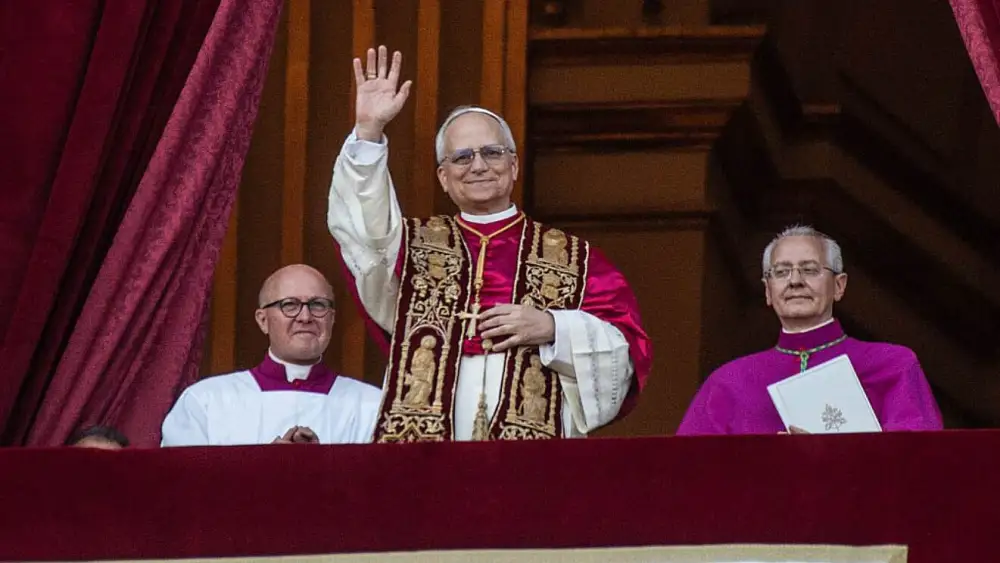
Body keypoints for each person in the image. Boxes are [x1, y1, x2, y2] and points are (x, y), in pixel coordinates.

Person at [327, 46, 652, 441]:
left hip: (530, 466)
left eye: (492, 152)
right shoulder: (408, 249)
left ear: (513, 166)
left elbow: (626, 352)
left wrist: (554, 327)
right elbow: (363, 234)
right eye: (462, 157)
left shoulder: (575, 259)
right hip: (423, 458)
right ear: (443, 177)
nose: (478, 165)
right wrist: (368, 133)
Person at [676, 225, 943, 435]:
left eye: (809, 269)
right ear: (768, 291)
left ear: (839, 285)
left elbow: (919, 461)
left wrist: (833, 455)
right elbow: (689, 471)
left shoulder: (893, 366)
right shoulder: (728, 383)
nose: (794, 281)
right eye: (780, 272)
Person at [161, 264, 381, 446]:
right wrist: (265, 465)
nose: (305, 317)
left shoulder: (374, 406)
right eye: (290, 305)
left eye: (318, 305)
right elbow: (183, 487)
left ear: (331, 319)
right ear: (262, 320)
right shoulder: (206, 402)